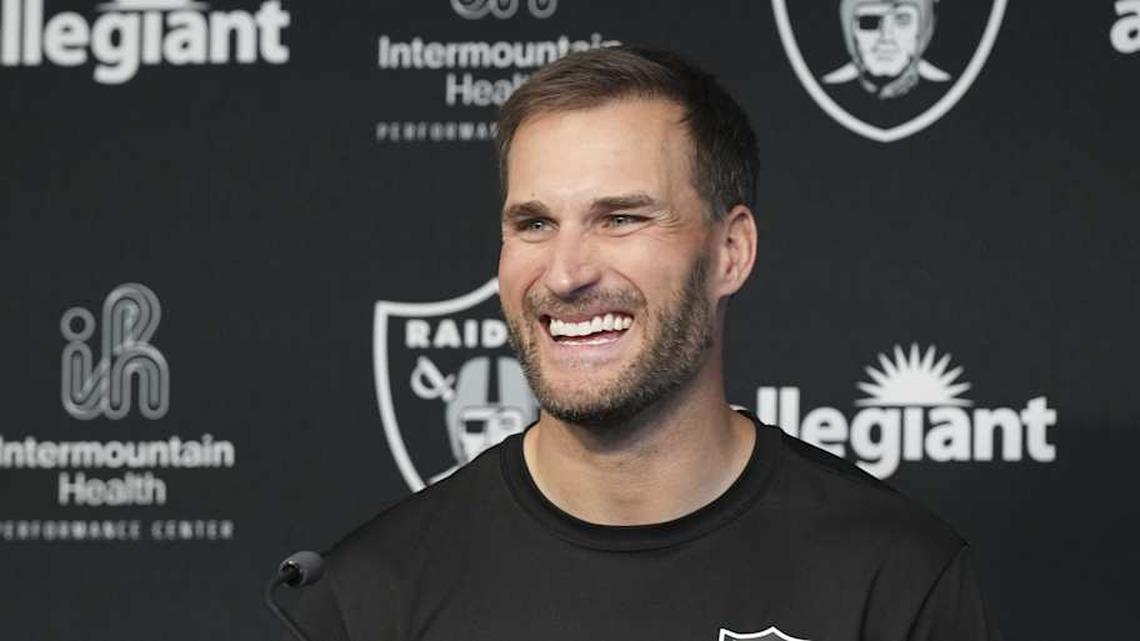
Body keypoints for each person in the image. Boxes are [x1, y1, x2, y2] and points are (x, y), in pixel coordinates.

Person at [290, 46, 1001, 641]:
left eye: (621, 217)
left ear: (731, 252)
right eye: (534, 223)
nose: (566, 273)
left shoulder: (896, 582)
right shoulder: (368, 600)